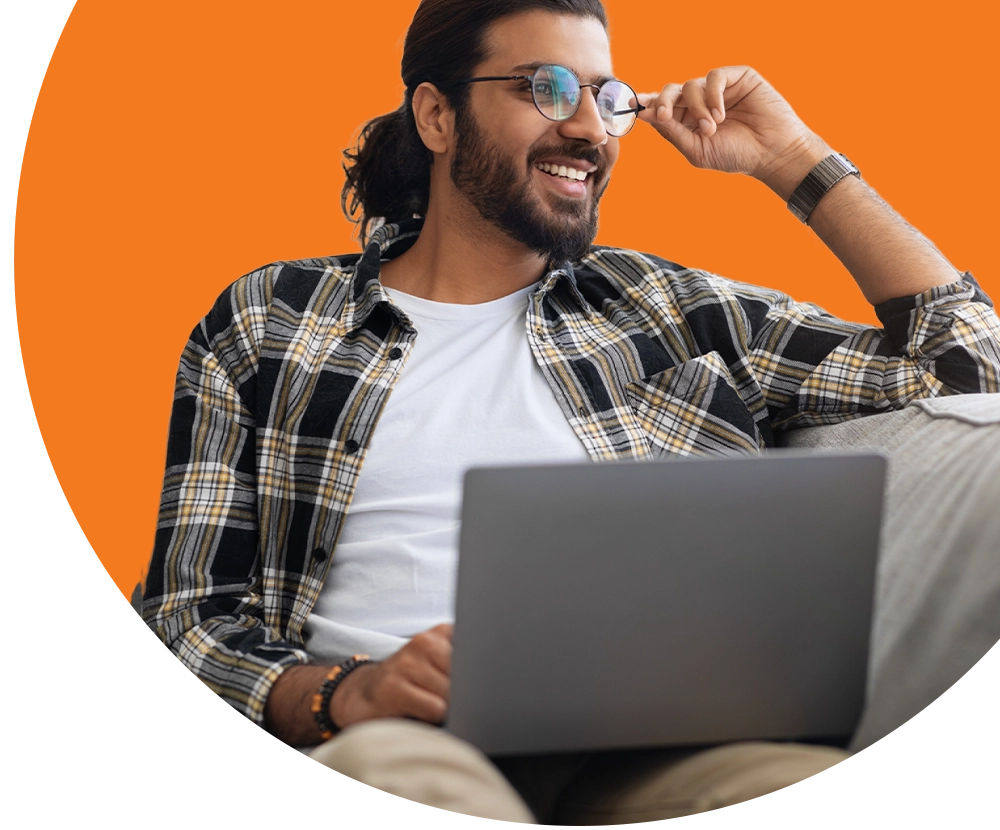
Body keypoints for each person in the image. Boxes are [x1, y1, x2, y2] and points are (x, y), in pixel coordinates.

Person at [144, 0, 1000, 822]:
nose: (589, 128)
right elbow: (188, 619)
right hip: (405, 742)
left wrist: (794, 158)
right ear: (437, 117)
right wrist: (335, 695)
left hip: (663, 746)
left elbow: (972, 365)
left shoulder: (668, 308)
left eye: (605, 97)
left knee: (873, 802)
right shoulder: (271, 320)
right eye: (544, 87)